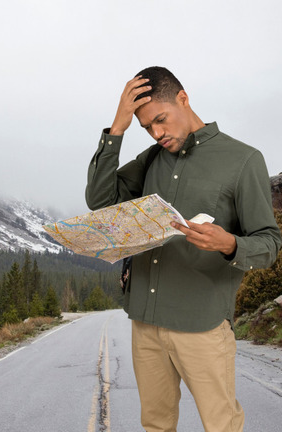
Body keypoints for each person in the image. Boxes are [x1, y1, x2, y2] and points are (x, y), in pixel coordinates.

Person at [85, 66, 281, 432]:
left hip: (202, 325)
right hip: (145, 322)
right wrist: (117, 129)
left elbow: (269, 244)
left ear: (183, 99)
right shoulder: (151, 159)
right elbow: (100, 200)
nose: (157, 133)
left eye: (160, 120)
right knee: (156, 425)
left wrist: (230, 244)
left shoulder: (243, 160)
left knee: (221, 425)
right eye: (146, 127)